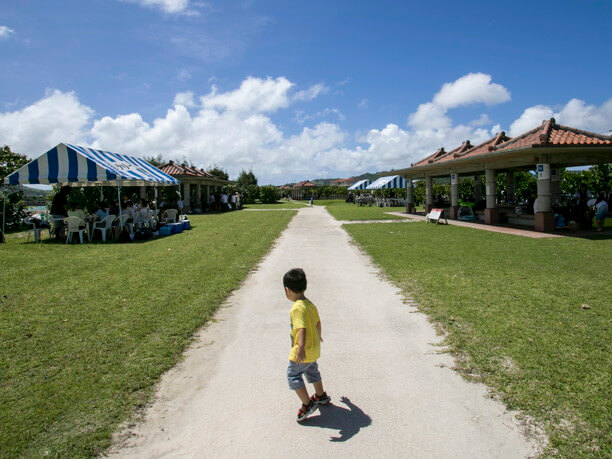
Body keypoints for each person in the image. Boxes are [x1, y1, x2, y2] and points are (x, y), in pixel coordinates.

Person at [283, 268, 330, 422]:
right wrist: (319, 336)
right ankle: (320, 394)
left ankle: (307, 404)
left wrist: (300, 347)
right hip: (314, 348)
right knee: (312, 370)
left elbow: (301, 328)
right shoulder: (310, 304)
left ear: (287, 290)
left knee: (293, 375)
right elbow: (318, 322)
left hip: (303, 350)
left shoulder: (297, 308)